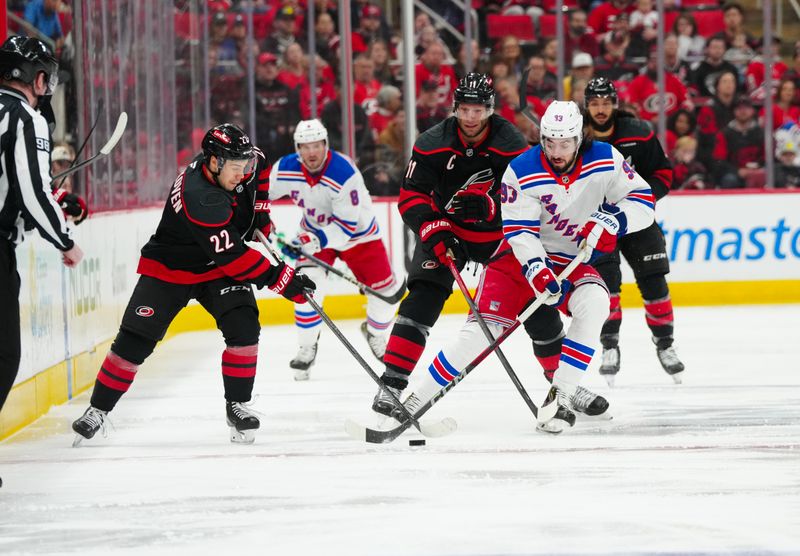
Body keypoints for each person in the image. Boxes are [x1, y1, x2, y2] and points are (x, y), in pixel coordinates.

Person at [393, 101, 655, 433]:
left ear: (579, 139)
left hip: (569, 261)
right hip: (513, 261)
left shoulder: (606, 159)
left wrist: (615, 219)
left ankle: (562, 396)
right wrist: (536, 270)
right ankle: (414, 401)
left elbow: (643, 201)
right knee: (478, 336)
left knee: (596, 302)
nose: (556, 152)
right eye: (550, 142)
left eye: (564, 143)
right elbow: (520, 232)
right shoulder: (522, 169)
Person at [71, 124, 316, 445]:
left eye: (245, 166)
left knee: (244, 327)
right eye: (235, 167)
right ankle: (97, 410)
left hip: (216, 268)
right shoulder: (198, 195)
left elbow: (261, 167)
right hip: (172, 268)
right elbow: (233, 256)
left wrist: (260, 211)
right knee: (135, 340)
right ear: (213, 162)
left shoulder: (245, 163)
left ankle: (238, 405)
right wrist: (281, 280)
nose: (243, 173)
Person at [370, 72, 528, 416]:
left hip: (497, 237)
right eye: (465, 109)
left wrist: (492, 208)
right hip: (447, 233)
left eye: (479, 110)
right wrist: (434, 229)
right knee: (422, 299)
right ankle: (392, 384)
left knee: (535, 304)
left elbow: (531, 197)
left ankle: (562, 386)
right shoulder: (432, 142)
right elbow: (411, 196)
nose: (471, 117)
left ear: (490, 109)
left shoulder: (511, 143)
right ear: (455, 108)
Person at [268, 119, 406, 380]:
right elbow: (261, 193)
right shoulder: (285, 168)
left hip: (358, 236)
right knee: (306, 289)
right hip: (314, 234)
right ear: (297, 148)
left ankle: (375, 333)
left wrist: (313, 240)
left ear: (326, 144)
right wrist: (259, 218)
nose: (312, 152)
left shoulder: (343, 173)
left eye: (317, 145)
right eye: (305, 146)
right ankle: (307, 345)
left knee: (388, 296)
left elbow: (346, 226)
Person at [0, 36, 84, 414]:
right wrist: (64, 240)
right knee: (3, 356)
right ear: (34, 79)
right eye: (45, 77)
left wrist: (56, 201)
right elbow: (32, 192)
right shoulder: (25, 118)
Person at [583, 77, 685, 385]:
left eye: (605, 102)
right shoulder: (577, 136)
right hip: (599, 223)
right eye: (594, 103)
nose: (600, 109)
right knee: (606, 287)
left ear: (615, 103)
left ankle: (665, 344)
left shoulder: (638, 133)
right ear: (587, 105)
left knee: (654, 282)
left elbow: (664, 173)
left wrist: (640, 200)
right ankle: (609, 346)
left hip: (638, 221)